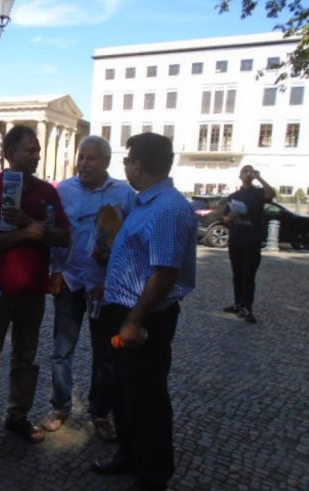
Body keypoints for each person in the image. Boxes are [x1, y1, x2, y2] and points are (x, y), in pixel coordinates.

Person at [90, 133, 196, 491]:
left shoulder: (167, 208)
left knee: (147, 397)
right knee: (124, 391)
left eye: (127, 159)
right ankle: (129, 455)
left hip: (145, 318)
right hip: (123, 308)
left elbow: (165, 273)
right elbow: (140, 260)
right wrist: (114, 285)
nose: (125, 166)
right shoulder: (144, 203)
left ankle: (152, 475)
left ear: (139, 165)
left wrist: (134, 320)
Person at [0, 125, 71, 452]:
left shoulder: (47, 192)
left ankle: (17, 416)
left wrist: (27, 221)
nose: (36, 155)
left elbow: (64, 236)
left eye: (38, 150)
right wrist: (23, 235)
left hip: (32, 292)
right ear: (9, 154)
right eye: (30, 150)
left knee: (26, 358)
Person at [41, 136, 135, 439]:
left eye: (91, 158)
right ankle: (60, 406)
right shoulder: (65, 190)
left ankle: (99, 412)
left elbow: (132, 245)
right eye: (81, 157)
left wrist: (113, 282)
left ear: (106, 161)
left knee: (105, 355)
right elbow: (57, 232)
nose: (83, 163)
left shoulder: (124, 194)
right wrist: (55, 270)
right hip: (70, 281)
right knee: (61, 351)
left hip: (103, 288)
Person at [223, 165, 275, 324]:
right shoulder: (233, 196)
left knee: (248, 276)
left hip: (252, 240)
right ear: (240, 175)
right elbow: (224, 219)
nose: (248, 172)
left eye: (250, 170)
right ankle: (238, 303)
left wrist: (259, 177)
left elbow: (271, 193)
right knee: (237, 275)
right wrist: (230, 217)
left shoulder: (258, 193)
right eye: (245, 170)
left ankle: (247, 307)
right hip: (236, 239)